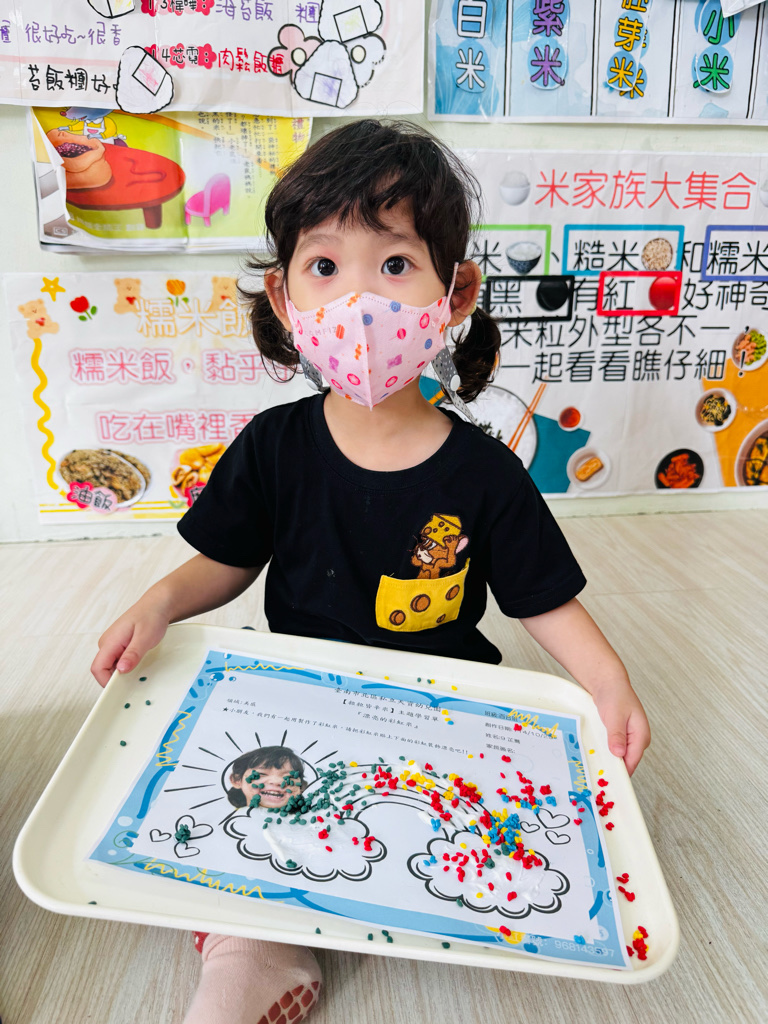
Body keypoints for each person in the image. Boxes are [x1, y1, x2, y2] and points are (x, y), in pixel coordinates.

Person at [91, 119, 650, 1024]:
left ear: (454, 292)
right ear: (284, 296)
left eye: (394, 264)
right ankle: (253, 953)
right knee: (216, 802)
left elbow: (543, 597)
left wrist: (608, 680)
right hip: (300, 702)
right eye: (325, 266)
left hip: (439, 710)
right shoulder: (274, 444)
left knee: (485, 841)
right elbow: (226, 561)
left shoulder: (484, 472)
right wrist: (159, 602)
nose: (357, 299)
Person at [226, 745, 307, 810]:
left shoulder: (308, 820)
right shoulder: (236, 820)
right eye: (261, 774)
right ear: (236, 780)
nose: (276, 781)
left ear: (301, 787)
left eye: (289, 777)